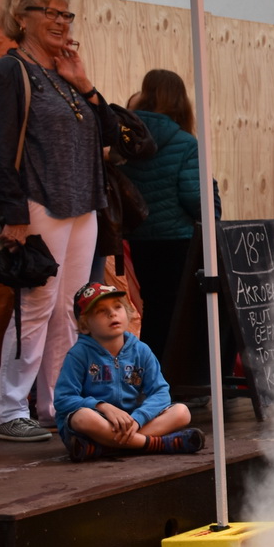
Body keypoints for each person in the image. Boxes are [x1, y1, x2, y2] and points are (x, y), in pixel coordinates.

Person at [0, 0, 121, 443]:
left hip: (83, 205)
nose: (61, 22)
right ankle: (9, 410)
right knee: (35, 307)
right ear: (22, 18)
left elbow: (112, 136)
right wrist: (15, 213)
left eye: (66, 14)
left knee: (70, 310)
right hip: (39, 204)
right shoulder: (6, 72)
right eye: (51, 13)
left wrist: (85, 84)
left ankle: (57, 403)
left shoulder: (63, 74)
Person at [53, 282, 203, 461]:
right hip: (98, 423)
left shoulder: (141, 350)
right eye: (101, 311)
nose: (112, 314)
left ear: (128, 312)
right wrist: (102, 407)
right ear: (85, 326)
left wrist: (138, 419)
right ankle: (158, 444)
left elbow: (160, 393)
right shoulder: (79, 354)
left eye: (117, 306)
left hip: (131, 422)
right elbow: (63, 399)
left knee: (182, 412)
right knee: (82, 418)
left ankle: (106, 448)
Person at [119, 69, 202, 362]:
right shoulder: (185, 142)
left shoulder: (128, 139)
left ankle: (150, 371)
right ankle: (177, 374)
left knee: (153, 307)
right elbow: (194, 196)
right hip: (179, 239)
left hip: (141, 237)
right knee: (182, 311)